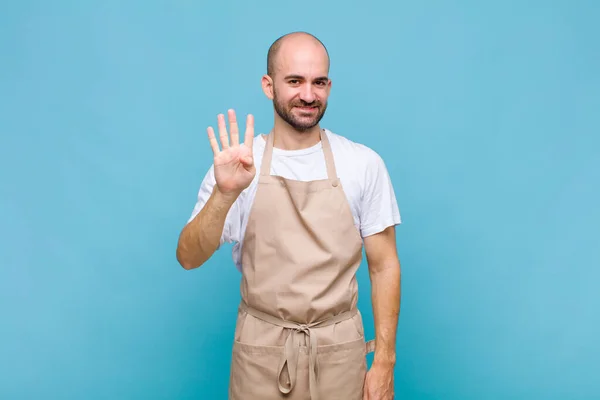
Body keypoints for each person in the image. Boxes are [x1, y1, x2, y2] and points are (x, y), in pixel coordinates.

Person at [176, 31, 401, 400]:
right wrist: (225, 194)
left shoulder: (362, 163)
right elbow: (188, 257)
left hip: (340, 354)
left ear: (330, 85)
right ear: (268, 86)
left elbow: (384, 265)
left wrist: (385, 362)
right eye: (294, 81)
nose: (308, 95)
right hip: (260, 355)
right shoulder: (238, 167)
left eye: (319, 82)